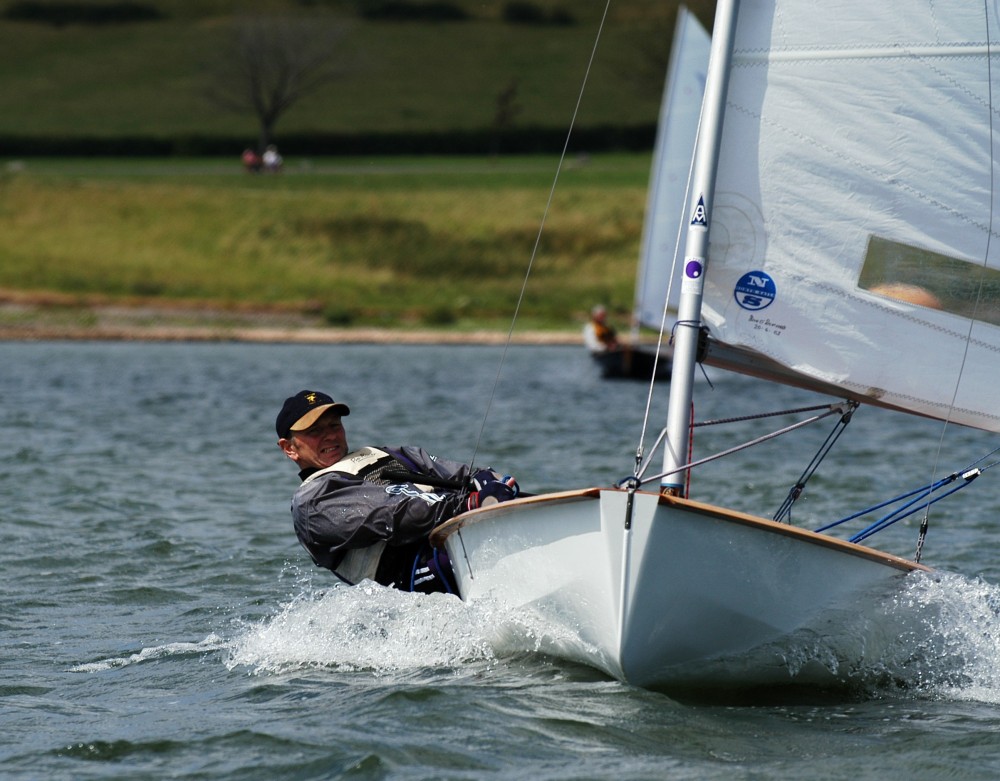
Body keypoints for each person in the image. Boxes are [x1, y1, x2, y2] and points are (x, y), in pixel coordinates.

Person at [275, 389, 519, 594]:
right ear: (289, 448)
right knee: (457, 554)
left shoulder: (386, 454)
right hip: (412, 575)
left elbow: (460, 473)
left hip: (459, 531)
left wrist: (490, 482)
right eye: (315, 431)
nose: (330, 435)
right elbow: (393, 516)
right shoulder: (312, 502)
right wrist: (468, 505)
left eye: (334, 425)